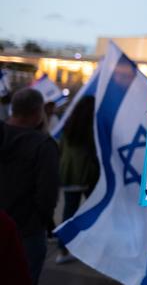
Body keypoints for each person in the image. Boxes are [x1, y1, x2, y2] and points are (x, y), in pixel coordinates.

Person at [0, 88, 60, 284]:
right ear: (37, 112)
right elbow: (47, 194)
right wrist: (39, 221)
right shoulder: (44, 146)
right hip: (26, 232)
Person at [55, 96, 99, 264]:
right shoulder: (91, 128)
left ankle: (62, 250)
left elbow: (61, 148)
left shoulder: (68, 125)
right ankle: (91, 246)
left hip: (68, 174)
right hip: (87, 175)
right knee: (95, 210)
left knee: (68, 212)